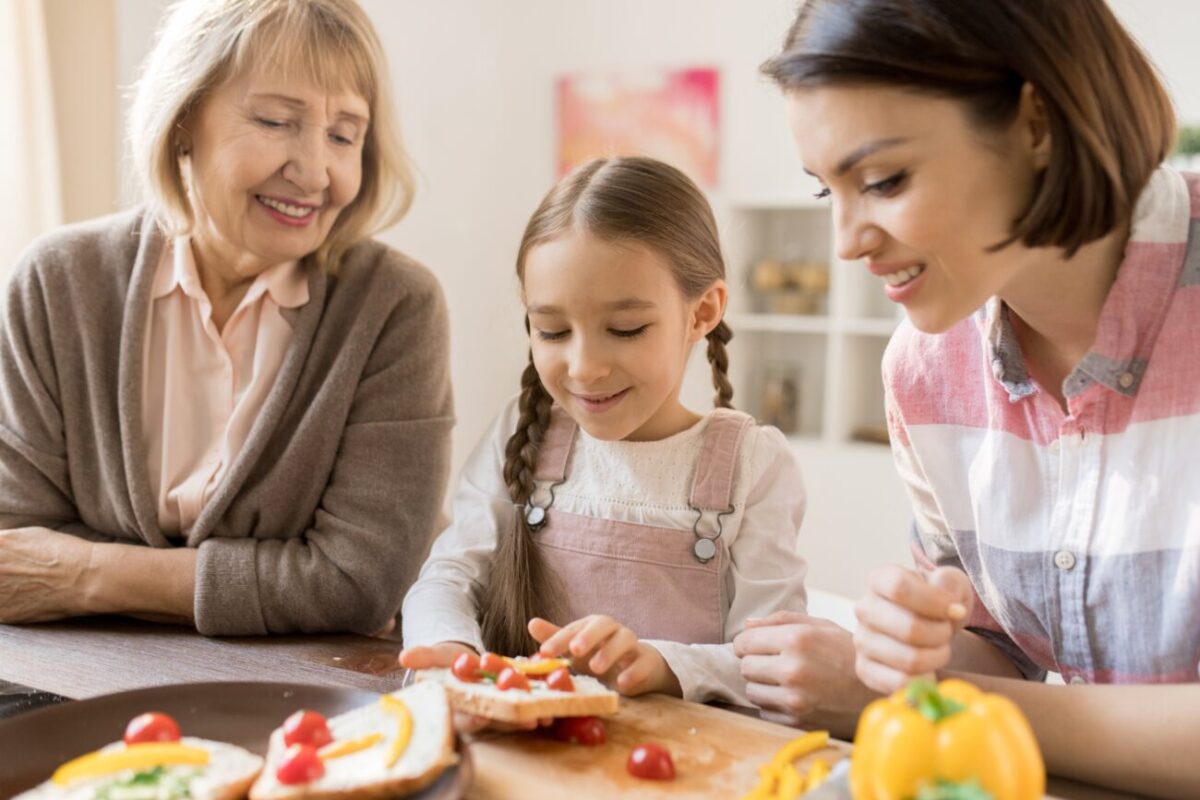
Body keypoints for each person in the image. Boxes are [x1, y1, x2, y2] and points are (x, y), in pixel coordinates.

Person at [738, 0, 1200, 793]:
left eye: (883, 180)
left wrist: (943, 697)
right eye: (827, 192)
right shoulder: (925, 369)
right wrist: (920, 648)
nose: (846, 241)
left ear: (1036, 123)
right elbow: (1000, 644)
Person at [0, 0, 452, 636]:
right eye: (275, 121)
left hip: (308, 694)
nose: (316, 171)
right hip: (74, 674)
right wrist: (274, 582)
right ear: (184, 115)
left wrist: (87, 573)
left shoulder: (394, 306)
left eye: (344, 134)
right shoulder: (58, 283)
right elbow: (16, 551)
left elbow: (359, 579)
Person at [400, 157, 808, 715]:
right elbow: (447, 575)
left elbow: (771, 664)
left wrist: (664, 666)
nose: (584, 366)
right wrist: (449, 649)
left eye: (625, 329)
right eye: (552, 330)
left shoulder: (753, 465)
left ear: (702, 312)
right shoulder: (525, 433)